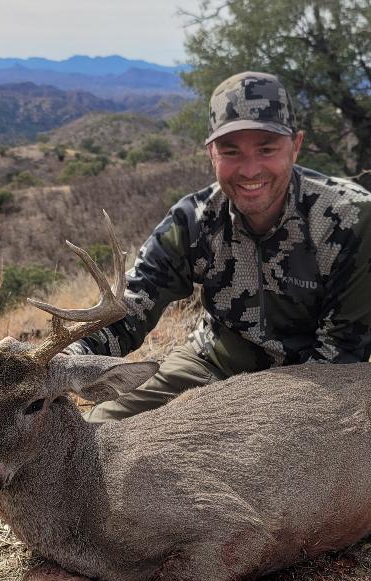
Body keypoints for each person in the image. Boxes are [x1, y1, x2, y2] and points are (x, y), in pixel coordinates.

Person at [68, 71, 371, 422]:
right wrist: (67, 357)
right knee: (98, 431)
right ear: (211, 153)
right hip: (212, 361)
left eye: (267, 149)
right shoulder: (192, 220)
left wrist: (243, 415)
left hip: (314, 380)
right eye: (231, 151)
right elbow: (130, 309)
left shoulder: (351, 219)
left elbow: (341, 353)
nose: (250, 169)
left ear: (296, 145)